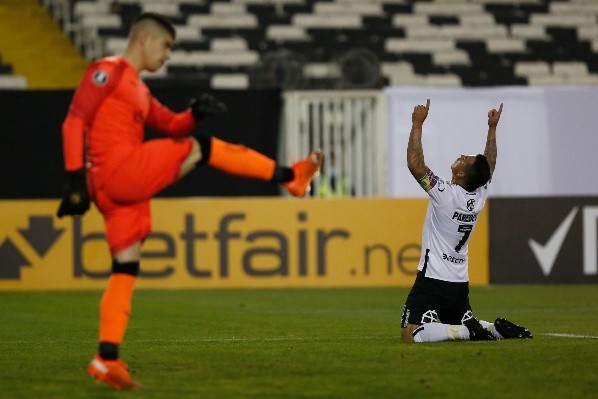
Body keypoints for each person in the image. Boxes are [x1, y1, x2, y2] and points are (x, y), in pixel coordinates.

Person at [56, 12, 321, 390]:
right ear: (145, 40)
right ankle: (289, 177)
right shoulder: (108, 70)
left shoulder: (139, 90)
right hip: (117, 172)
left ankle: (106, 358)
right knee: (201, 149)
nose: (167, 56)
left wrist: (194, 113)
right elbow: (74, 121)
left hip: (113, 190)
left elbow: (170, 125)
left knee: (126, 266)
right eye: (166, 47)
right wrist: (73, 180)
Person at [400, 99, 532, 343]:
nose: (462, 156)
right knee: (456, 321)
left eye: (466, 159)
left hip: (433, 278)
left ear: (460, 174)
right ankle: (494, 329)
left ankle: (465, 331)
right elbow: (488, 166)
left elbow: (415, 165)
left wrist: (416, 123)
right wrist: (492, 129)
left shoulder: (446, 195)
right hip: (458, 281)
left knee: (411, 333)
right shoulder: (479, 194)